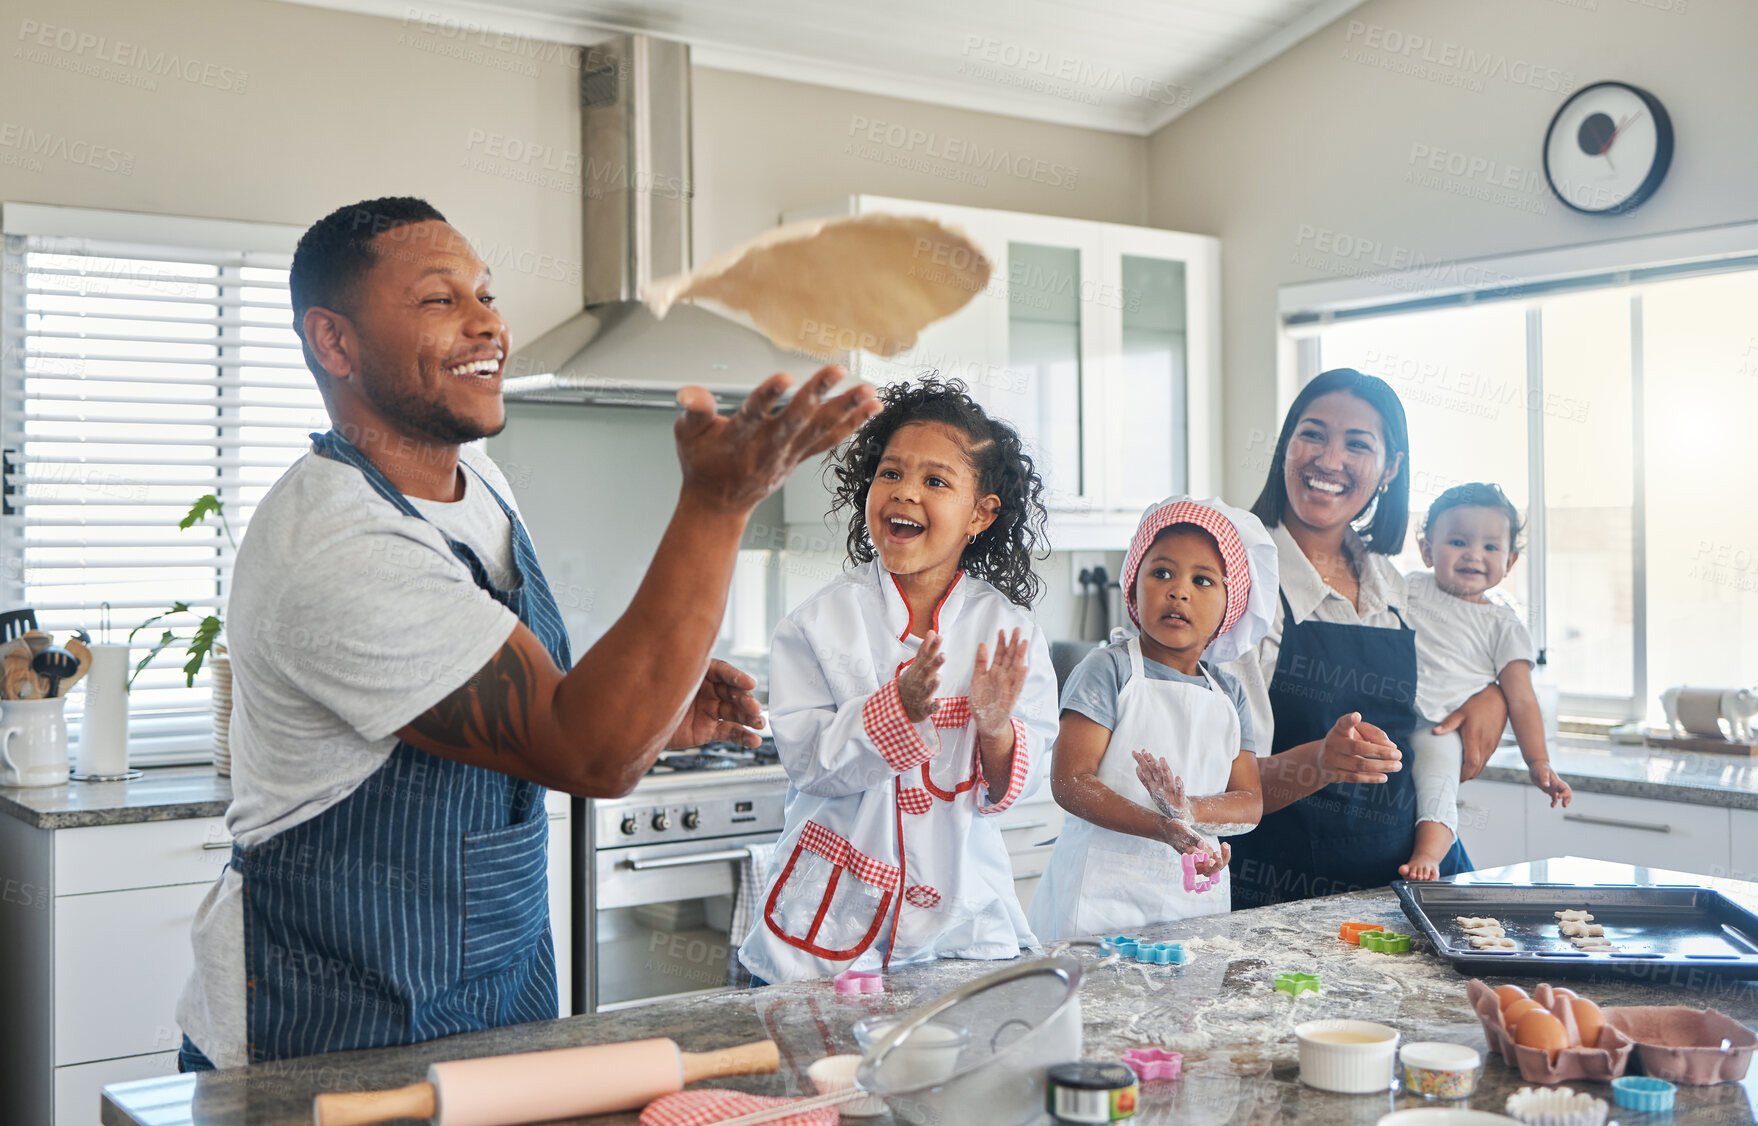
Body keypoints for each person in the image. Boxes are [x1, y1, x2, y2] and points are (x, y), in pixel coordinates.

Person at [174, 197, 878, 1069]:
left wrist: (657, 712)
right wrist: (719, 501)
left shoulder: (477, 477)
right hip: (332, 1025)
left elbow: (558, 705)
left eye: (487, 293)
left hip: (492, 1006)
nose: (489, 324)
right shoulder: (335, 542)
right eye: (441, 300)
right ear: (335, 342)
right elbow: (590, 752)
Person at [737, 378, 1059, 984]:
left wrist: (994, 731)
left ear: (981, 514)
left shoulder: (1009, 632)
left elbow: (1013, 784)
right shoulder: (817, 623)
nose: (905, 492)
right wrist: (900, 707)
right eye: (890, 474)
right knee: (823, 1076)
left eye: (936, 481)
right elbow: (810, 764)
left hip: (961, 928)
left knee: (954, 1079)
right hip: (831, 927)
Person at [1221, 368, 1510, 909]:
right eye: (1312, 434)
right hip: (1285, 892)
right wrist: (1320, 762)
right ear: (1286, 446)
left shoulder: (1394, 588)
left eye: (1357, 444)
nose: (1329, 461)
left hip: (1409, 884)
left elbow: (1444, 699)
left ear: (1389, 469)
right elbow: (1216, 784)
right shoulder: (1241, 587)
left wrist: (1492, 694)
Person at [1029, 496, 1277, 940]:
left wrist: (1189, 812)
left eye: (1203, 580)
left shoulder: (1230, 694)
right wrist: (1163, 827)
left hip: (1191, 906)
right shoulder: (1108, 670)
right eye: (1161, 572)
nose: (1178, 590)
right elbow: (1070, 782)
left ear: (1230, 605)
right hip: (1095, 908)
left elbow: (1249, 803)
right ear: (1133, 583)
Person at [1401, 482, 1571, 880]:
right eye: (1458, 541)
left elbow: (1523, 701)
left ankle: (1428, 854)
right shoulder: (1408, 588)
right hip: (1388, 713)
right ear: (1428, 550)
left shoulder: (1503, 623)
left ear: (1509, 562)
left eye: (1491, 547)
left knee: (1437, 776)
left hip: (1440, 727)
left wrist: (1539, 761)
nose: (1474, 554)